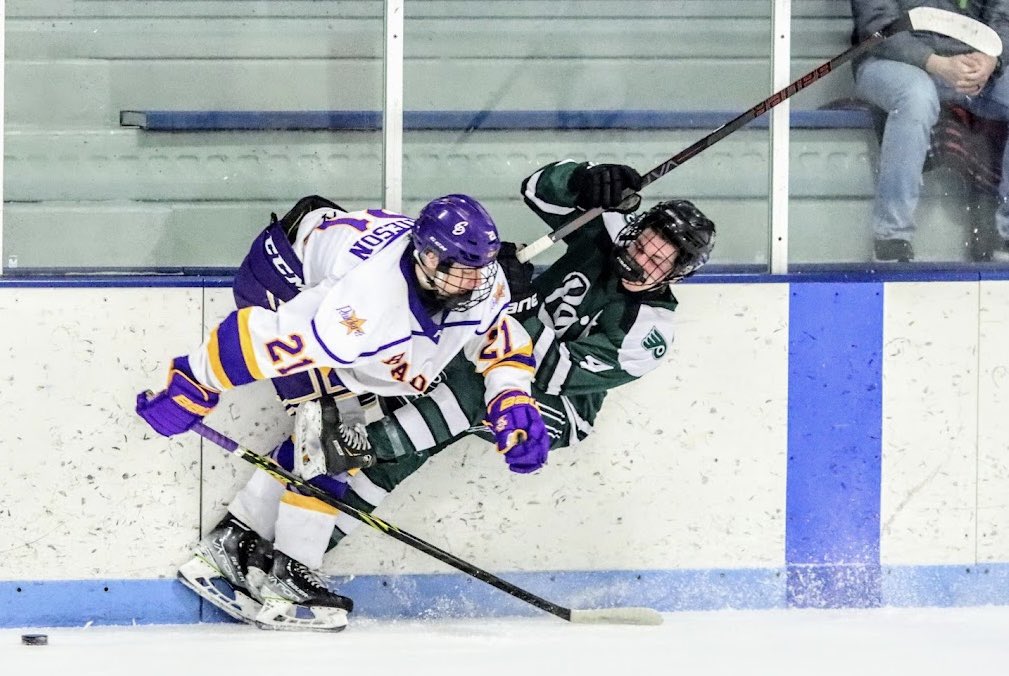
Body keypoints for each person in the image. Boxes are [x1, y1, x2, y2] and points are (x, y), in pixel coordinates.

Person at [136, 193, 549, 632]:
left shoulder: (477, 280)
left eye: (478, 270)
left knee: (331, 431)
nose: (472, 283)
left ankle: (230, 545)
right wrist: (192, 382)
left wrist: (512, 398)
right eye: (459, 271)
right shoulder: (366, 304)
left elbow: (499, 337)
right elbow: (260, 339)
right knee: (335, 433)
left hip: (326, 249)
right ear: (426, 257)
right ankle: (290, 575)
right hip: (281, 278)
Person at [850, 0, 1009, 262]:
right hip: (889, 61)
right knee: (916, 97)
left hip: (967, 65)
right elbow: (877, 26)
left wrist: (992, 58)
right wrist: (936, 63)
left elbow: (1003, 16)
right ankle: (891, 235)